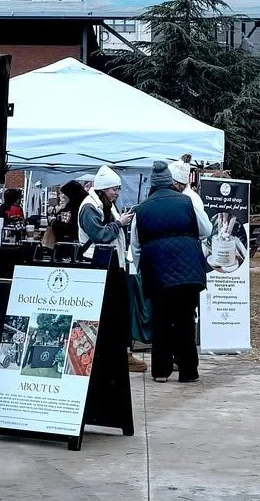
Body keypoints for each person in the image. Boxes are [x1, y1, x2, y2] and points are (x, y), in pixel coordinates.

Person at [134, 160, 211, 382]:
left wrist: (142, 269)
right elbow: (206, 230)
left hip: (157, 272)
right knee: (186, 319)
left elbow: (136, 246)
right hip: (188, 271)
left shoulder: (142, 208)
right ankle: (188, 372)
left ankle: (161, 371)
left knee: (161, 320)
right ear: (170, 182)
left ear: (153, 184)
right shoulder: (187, 202)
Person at [78, 165, 126, 264]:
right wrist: (119, 223)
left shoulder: (106, 203)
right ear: (103, 189)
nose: (117, 193)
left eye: (118, 189)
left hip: (103, 255)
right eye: (114, 189)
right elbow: (100, 236)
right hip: (93, 258)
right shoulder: (89, 207)